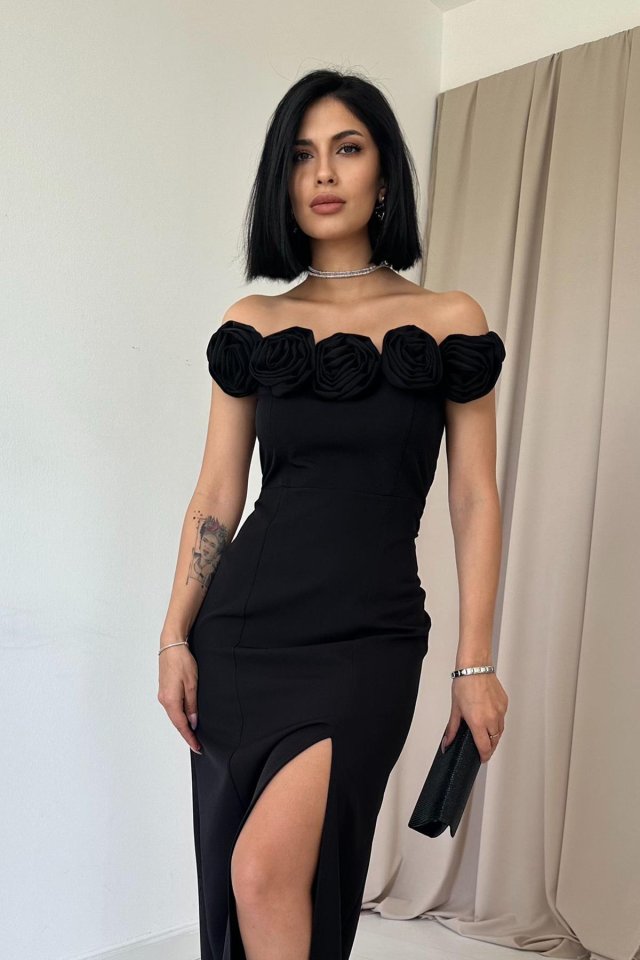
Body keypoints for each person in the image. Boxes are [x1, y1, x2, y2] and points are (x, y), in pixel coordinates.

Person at [157, 68, 509, 960]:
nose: (322, 172)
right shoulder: (254, 321)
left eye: (346, 149)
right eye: (301, 155)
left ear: (383, 174)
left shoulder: (447, 318)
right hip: (245, 632)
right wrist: (172, 637)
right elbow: (217, 494)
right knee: (250, 880)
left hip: (368, 636)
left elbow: (474, 497)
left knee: (264, 871)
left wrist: (475, 663)